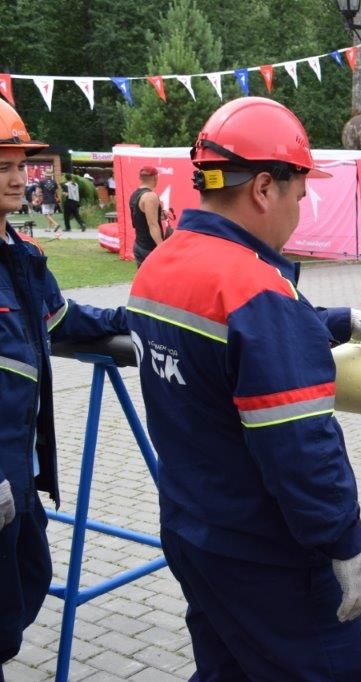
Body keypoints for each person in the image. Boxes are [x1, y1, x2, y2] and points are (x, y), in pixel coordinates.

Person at [126, 96, 361, 681]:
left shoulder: (162, 263)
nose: (299, 213)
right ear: (262, 188)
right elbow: (301, 450)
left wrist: (328, 322)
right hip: (268, 559)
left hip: (193, 533)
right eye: (299, 196)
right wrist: (344, 544)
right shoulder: (255, 291)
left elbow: (234, 346)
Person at [0, 100, 128, 678]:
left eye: (18, 162)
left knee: (26, 588)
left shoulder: (22, 257)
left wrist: (130, 321)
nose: (14, 176)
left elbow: (60, 319)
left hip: (18, 478)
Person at [128, 166, 164, 266]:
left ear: (140, 178)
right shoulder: (150, 196)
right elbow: (152, 225)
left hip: (139, 244)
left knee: (143, 280)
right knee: (157, 280)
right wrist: (161, 247)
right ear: (155, 178)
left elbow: (140, 217)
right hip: (150, 247)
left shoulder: (134, 194)